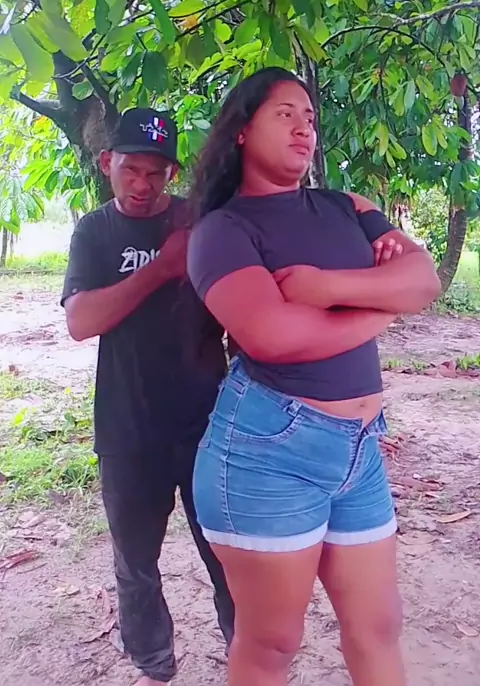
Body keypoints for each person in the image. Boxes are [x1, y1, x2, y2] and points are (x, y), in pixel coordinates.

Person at [186, 67, 441, 686]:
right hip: (267, 453)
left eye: (309, 117)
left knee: (378, 625)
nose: (304, 128)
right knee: (273, 643)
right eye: (285, 114)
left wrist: (325, 288)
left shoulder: (346, 207)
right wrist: (383, 306)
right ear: (241, 130)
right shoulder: (222, 231)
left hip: (360, 450)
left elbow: (423, 279)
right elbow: (273, 336)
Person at [61, 107, 234, 686]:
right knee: (135, 564)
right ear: (106, 162)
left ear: (173, 173)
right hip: (128, 427)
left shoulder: (201, 222)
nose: (142, 184)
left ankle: (250, 655)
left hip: (209, 423)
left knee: (229, 555)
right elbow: (82, 321)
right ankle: (153, 664)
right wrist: (161, 269)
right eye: (131, 169)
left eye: (155, 173)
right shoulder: (94, 232)